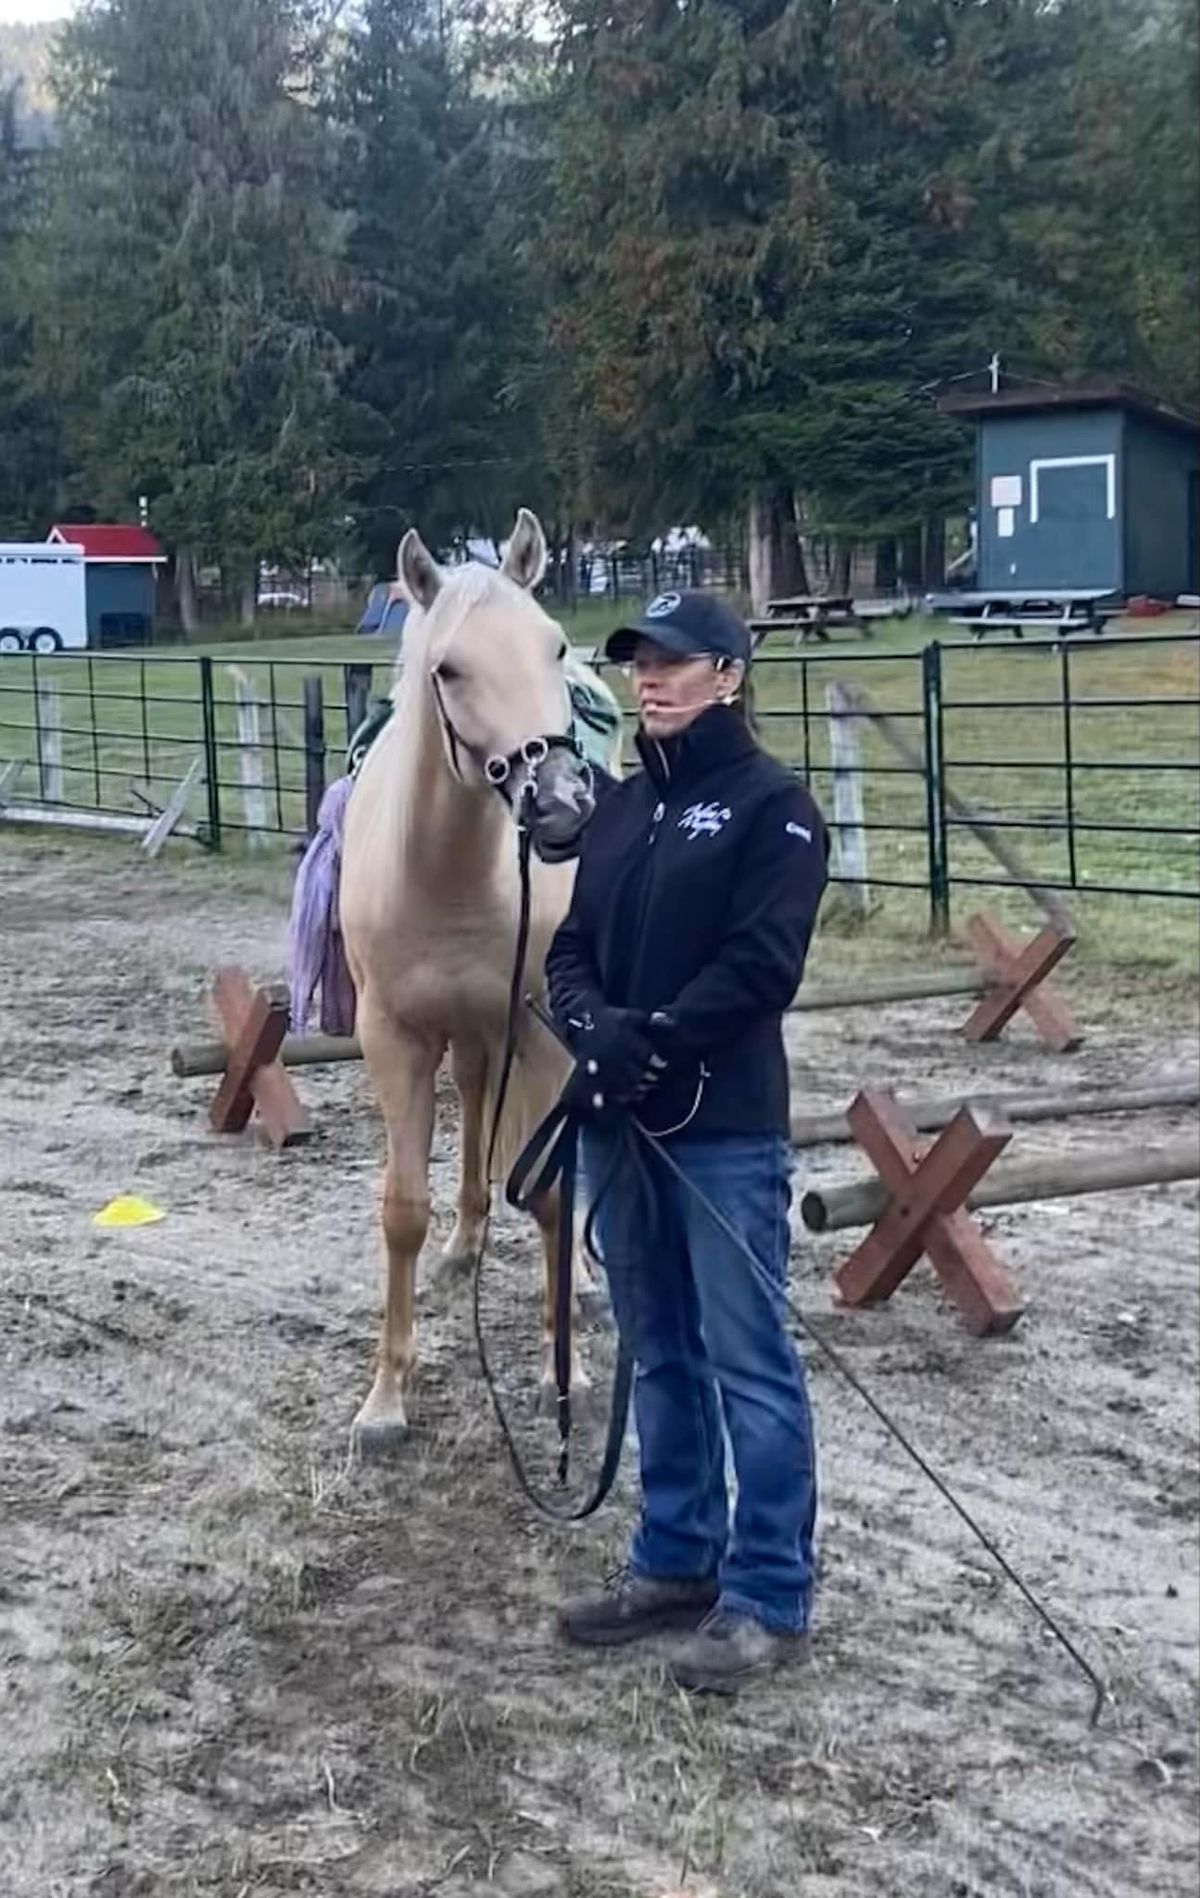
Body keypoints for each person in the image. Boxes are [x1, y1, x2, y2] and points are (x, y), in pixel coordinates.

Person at [545, 589, 829, 1695]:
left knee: (747, 1356)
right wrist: (593, 1030)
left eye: (672, 661)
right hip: (617, 1122)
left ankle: (768, 1589)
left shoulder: (774, 808)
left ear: (729, 675)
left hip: (722, 1128)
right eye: (636, 663)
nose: (648, 679)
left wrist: (653, 1039)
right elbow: (571, 948)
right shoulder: (619, 808)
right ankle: (674, 1555)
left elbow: (763, 964)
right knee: (655, 1341)